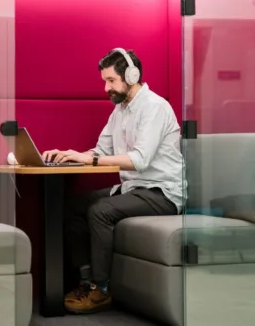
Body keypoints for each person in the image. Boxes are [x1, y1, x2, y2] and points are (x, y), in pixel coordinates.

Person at [42, 48, 184, 315]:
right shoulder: (120, 111)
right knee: (72, 205)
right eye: (104, 81)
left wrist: (88, 161)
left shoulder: (155, 107)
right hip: (133, 189)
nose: (106, 87)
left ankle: (102, 289)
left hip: (162, 193)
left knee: (100, 211)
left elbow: (139, 160)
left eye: (111, 81)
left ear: (132, 75)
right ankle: (85, 281)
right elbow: (101, 152)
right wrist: (69, 156)